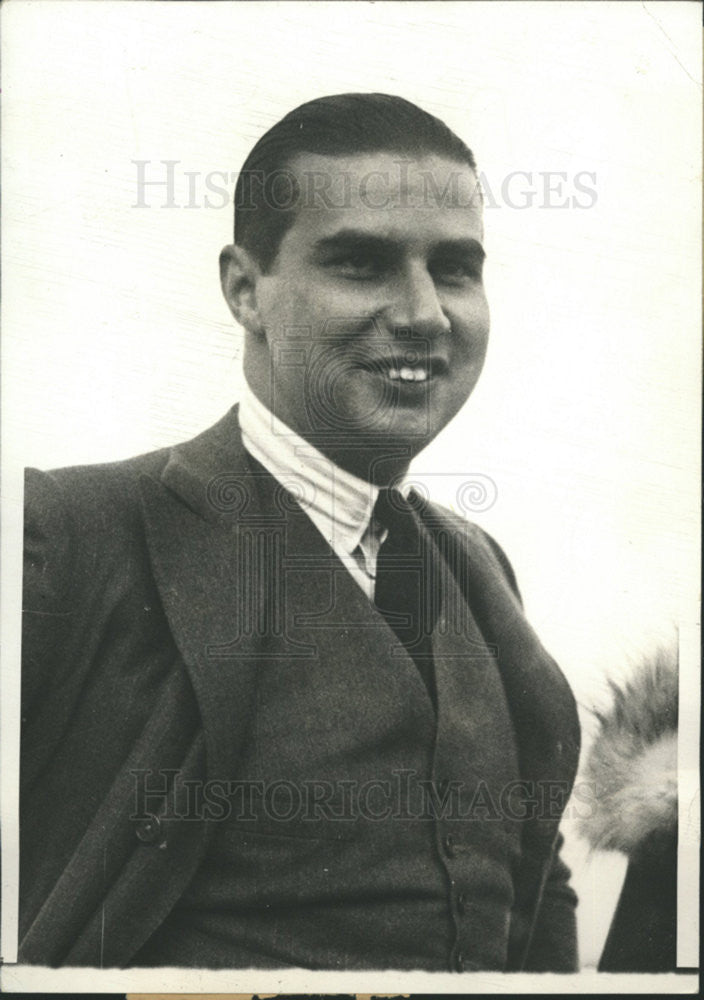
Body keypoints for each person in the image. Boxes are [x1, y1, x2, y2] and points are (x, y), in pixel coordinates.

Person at [20, 93, 580, 971]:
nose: (426, 313)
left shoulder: (478, 567)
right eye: (361, 263)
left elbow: (528, 889)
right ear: (246, 289)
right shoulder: (65, 536)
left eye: (457, 268)